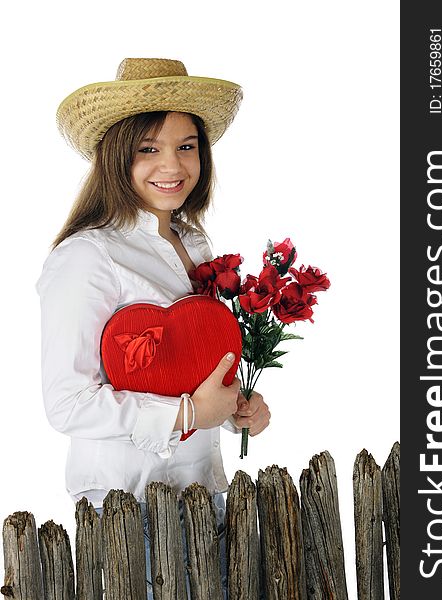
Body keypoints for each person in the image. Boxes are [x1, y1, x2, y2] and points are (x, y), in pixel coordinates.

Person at [36, 58, 271, 598]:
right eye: (149, 147)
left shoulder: (196, 246)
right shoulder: (87, 256)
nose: (172, 164)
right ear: (117, 155)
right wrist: (186, 413)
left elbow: (196, 364)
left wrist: (238, 408)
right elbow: (66, 402)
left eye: (187, 145)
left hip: (204, 497)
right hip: (130, 510)